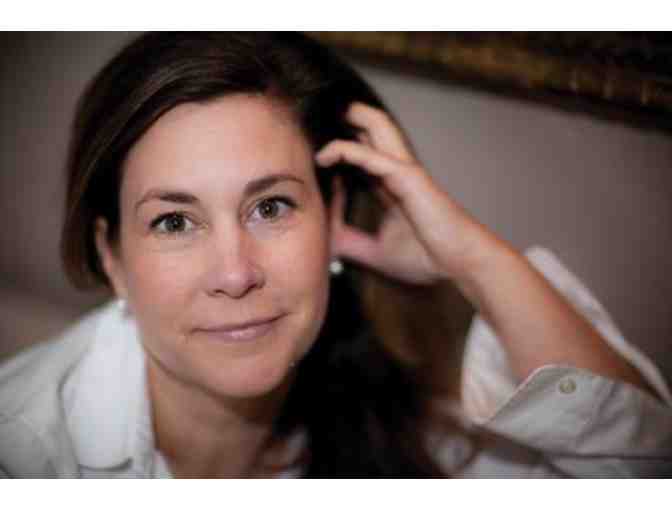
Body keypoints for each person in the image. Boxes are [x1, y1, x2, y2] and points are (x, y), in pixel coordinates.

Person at [0, 32, 670, 478]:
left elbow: (642, 469)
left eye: (271, 207)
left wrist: (472, 256)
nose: (236, 273)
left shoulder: (390, 419)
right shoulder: (23, 455)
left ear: (333, 216)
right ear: (112, 257)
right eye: (174, 222)